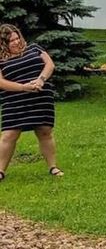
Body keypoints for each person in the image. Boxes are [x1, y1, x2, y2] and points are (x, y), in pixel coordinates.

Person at [0, 24, 63, 181]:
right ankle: (0, 171)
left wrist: (41, 80)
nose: (16, 42)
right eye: (11, 41)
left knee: (44, 131)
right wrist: (23, 87)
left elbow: (49, 64)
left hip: (40, 97)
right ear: (3, 43)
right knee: (9, 135)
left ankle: (53, 167)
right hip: (14, 101)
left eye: (17, 38)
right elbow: (1, 82)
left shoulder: (34, 48)